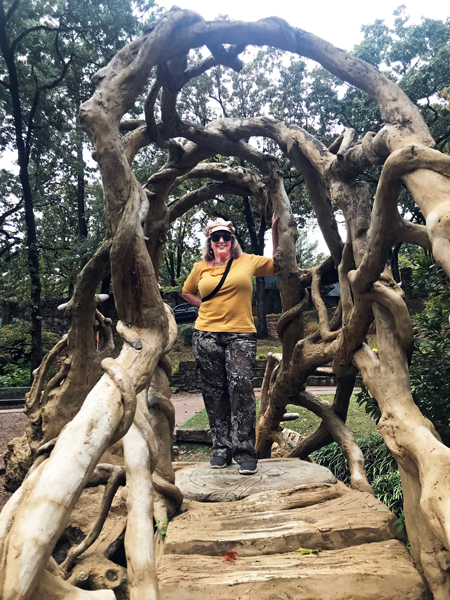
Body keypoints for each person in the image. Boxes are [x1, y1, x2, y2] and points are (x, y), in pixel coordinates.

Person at [181, 216, 279, 475]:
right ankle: (221, 449)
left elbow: (277, 264)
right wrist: (203, 306)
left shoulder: (247, 261)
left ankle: (245, 451)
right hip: (206, 335)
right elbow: (187, 292)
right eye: (216, 237)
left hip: (240, 334)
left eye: (226, 236)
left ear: (232, 240)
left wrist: (275, 231)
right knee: (214, 392)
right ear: (210, 242)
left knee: (241, 387)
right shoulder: (200, 267)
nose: (221, 240)